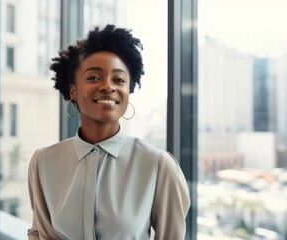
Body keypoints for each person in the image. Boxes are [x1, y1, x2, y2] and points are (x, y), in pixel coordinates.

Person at [27, 24, 190, 240]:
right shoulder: (43, 162)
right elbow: (40, 233)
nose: (108, 86)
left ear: (128, 91)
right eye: (94, 77)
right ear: (73, 91)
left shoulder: (159, 166)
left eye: (119, 80)